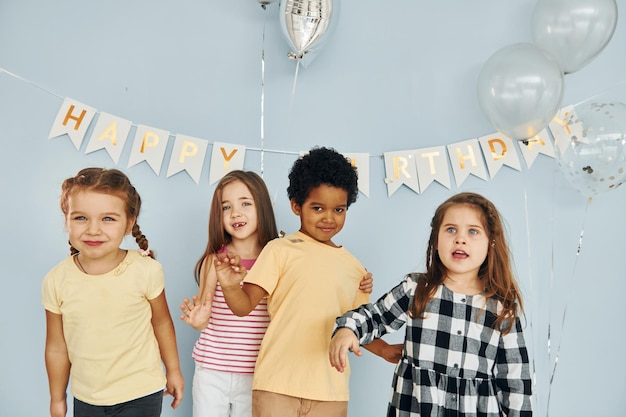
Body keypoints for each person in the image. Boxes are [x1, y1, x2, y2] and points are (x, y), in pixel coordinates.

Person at [214, 147, 402, 417]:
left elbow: (358, 325)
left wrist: (383, 349)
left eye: (338, 209)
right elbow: (244, 306)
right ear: (295, 206)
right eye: (317, 208)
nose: (328, 218)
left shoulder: (354, 268)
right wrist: (231, 286)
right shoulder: (279, 250)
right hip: (276, 386)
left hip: (331, 392)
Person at [179, 169, 377, 417]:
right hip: (212, 369)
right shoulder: (215, 261)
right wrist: (198, 321)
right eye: (226, 207)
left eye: (245, 203)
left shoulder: (276, 254)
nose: (236, 213)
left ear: (261, 207)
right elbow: (205, 309)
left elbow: (313, 286)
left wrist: (356, 279)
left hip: (256, 372)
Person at [329, 192, 533, 417]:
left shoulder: (501, 309)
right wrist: (348, 328)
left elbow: (515, 381)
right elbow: (375, 317)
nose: (460, 239)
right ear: (436, 239)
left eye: (473, 231)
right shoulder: (417, 289)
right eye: (451, 229)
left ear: (490, 243)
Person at [42, 167, 184, 417]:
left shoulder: (146, 270)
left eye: (108, 219)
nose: (93, 229)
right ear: (67, 219)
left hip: (141, 392)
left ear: (129, 223)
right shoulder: (56, 280)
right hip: (87, 397)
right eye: (81, 218)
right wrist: (57, 398)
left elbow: (161, 323)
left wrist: (173, 370)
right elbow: (56, 347)